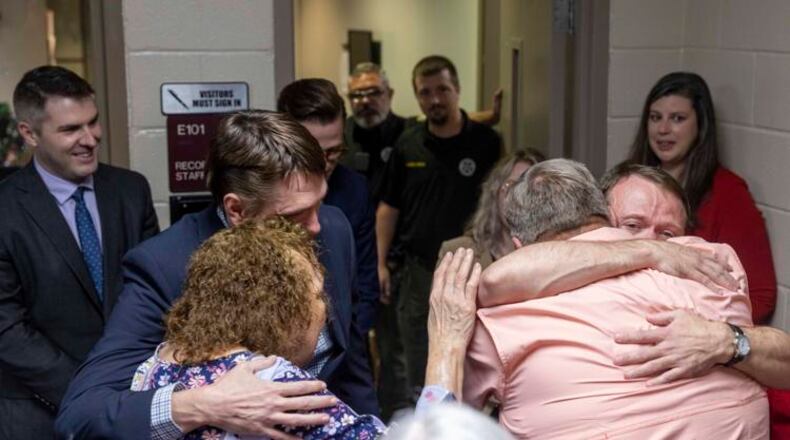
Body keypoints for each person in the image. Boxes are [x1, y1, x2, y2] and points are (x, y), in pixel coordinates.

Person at [56, 110, 377, 439]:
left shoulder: (334, 228)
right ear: (236, 210)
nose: (315, 227)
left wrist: (367, 420)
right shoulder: (165, 265)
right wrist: (205, 405)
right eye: (292, 216)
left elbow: (348, 357)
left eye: (318, 203)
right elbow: (82, 413)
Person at [465, 159, 768, 438]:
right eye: (634, 226)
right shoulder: (714, 260)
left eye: (667, 234)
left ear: (519, 246)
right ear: (606, 215)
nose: (649, 238)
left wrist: (443, 342)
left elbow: (440, 420)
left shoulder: (505, 319)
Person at [0, 65, 159, 439]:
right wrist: (89, 391)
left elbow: (152, 292)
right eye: (71, 129)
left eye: (93, 122)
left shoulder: (130, 191)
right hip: (38, 413)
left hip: (130, 400)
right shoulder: (5, 209)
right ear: (29, 133)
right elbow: (6, 325)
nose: (90, 139)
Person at [132, 218, 387, 439]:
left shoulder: (156, 365)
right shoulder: (272, 380)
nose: (326, 309)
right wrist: (430, 363)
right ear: (282, 308)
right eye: (319, 295)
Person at [376, 55, 501, 397]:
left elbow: (501, 204)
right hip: (420, 270)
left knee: (475, 346)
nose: (434, 99)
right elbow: (388, 208)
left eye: (443, 90)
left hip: (473, 268)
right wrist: (380, 262)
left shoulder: (486, 142)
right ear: (417, 97)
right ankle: (425, 411)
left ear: (457, 89)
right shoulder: (408, 144)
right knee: (416, 348)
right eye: (425, 92)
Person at [626, 71, 776, 324]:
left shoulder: (728, 191)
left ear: (700, 125)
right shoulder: (628, 182)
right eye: (655, 118)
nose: (663, 129)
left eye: (677, 118)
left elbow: (761, 295)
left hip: (695, 328)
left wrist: (706, 327)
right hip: (625, 313)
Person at [277, 78, 379, 334]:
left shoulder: (355, 189)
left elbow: (366, 283)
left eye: (334, 151)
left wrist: (351, 340)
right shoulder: (265, 192)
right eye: (311, 151)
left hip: (344, 338)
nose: (324, 163)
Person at [438, 148, 544, 268]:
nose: (518, 197)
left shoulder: (555, 257)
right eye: (511, 186)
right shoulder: (457, 253)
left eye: (529, 189)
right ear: (495, 193)